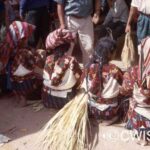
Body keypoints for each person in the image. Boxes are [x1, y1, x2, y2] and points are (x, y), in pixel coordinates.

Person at [81, 37, 123, 125]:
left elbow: (82, 85)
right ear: (109, 54)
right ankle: (111, 119)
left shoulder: (88, 67)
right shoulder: (114, 70)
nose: (116, 53)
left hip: (93, 109)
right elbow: (124, 87)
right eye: (114, 51)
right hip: (110, 111)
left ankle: (96, 118)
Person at [42, 28, 82, 109]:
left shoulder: (48, 59)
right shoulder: (71, 60)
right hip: (66, 101)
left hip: (48, 100)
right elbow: (79, 78)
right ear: (67, 46)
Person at [121, 37, 150, 145]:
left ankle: (141, 134)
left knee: (130, 99)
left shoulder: (133, 71)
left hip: (140, 120)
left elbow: (124, 91)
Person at [54, 0, 100, 65]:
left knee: (89, 48)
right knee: (67, 49)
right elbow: (59, 4)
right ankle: (62, 71)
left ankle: (87, 71)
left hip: (87, 19)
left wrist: (97, 12)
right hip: (70, 19)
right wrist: (62, 24)